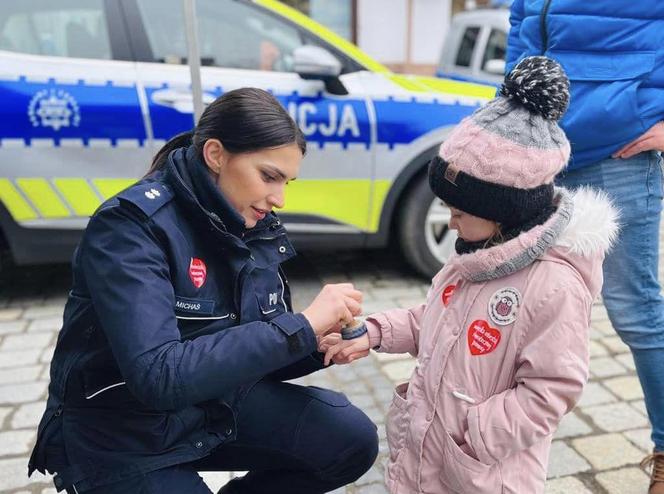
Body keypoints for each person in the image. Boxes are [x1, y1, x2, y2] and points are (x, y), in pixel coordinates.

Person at [27, 87, 378, 494]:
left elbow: (247, 351)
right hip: (120, 431)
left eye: (287, 182)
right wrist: (299, 326)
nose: (279, 198)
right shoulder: (130, 227)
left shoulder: (251, 224)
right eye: (269, 176)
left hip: (207, 405)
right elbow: (157, 376)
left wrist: (315, 342)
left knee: (350, 440)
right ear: (215, 155)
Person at [320, 57, 619, 493]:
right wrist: (377, 332)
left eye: (459, 211)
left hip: (481, 474)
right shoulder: (477, 254)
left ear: (502, 211)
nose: (450, 223)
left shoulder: (554, 286)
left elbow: (552, 388)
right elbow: (439, 322)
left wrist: (475, 432)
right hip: (428, 460)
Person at [506, 2, 664, 492]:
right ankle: (494, 447)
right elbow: (521, 27)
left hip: (620, 152)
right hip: (536, 148)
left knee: (634, 309)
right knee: (517, 307)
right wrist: (507, 110)